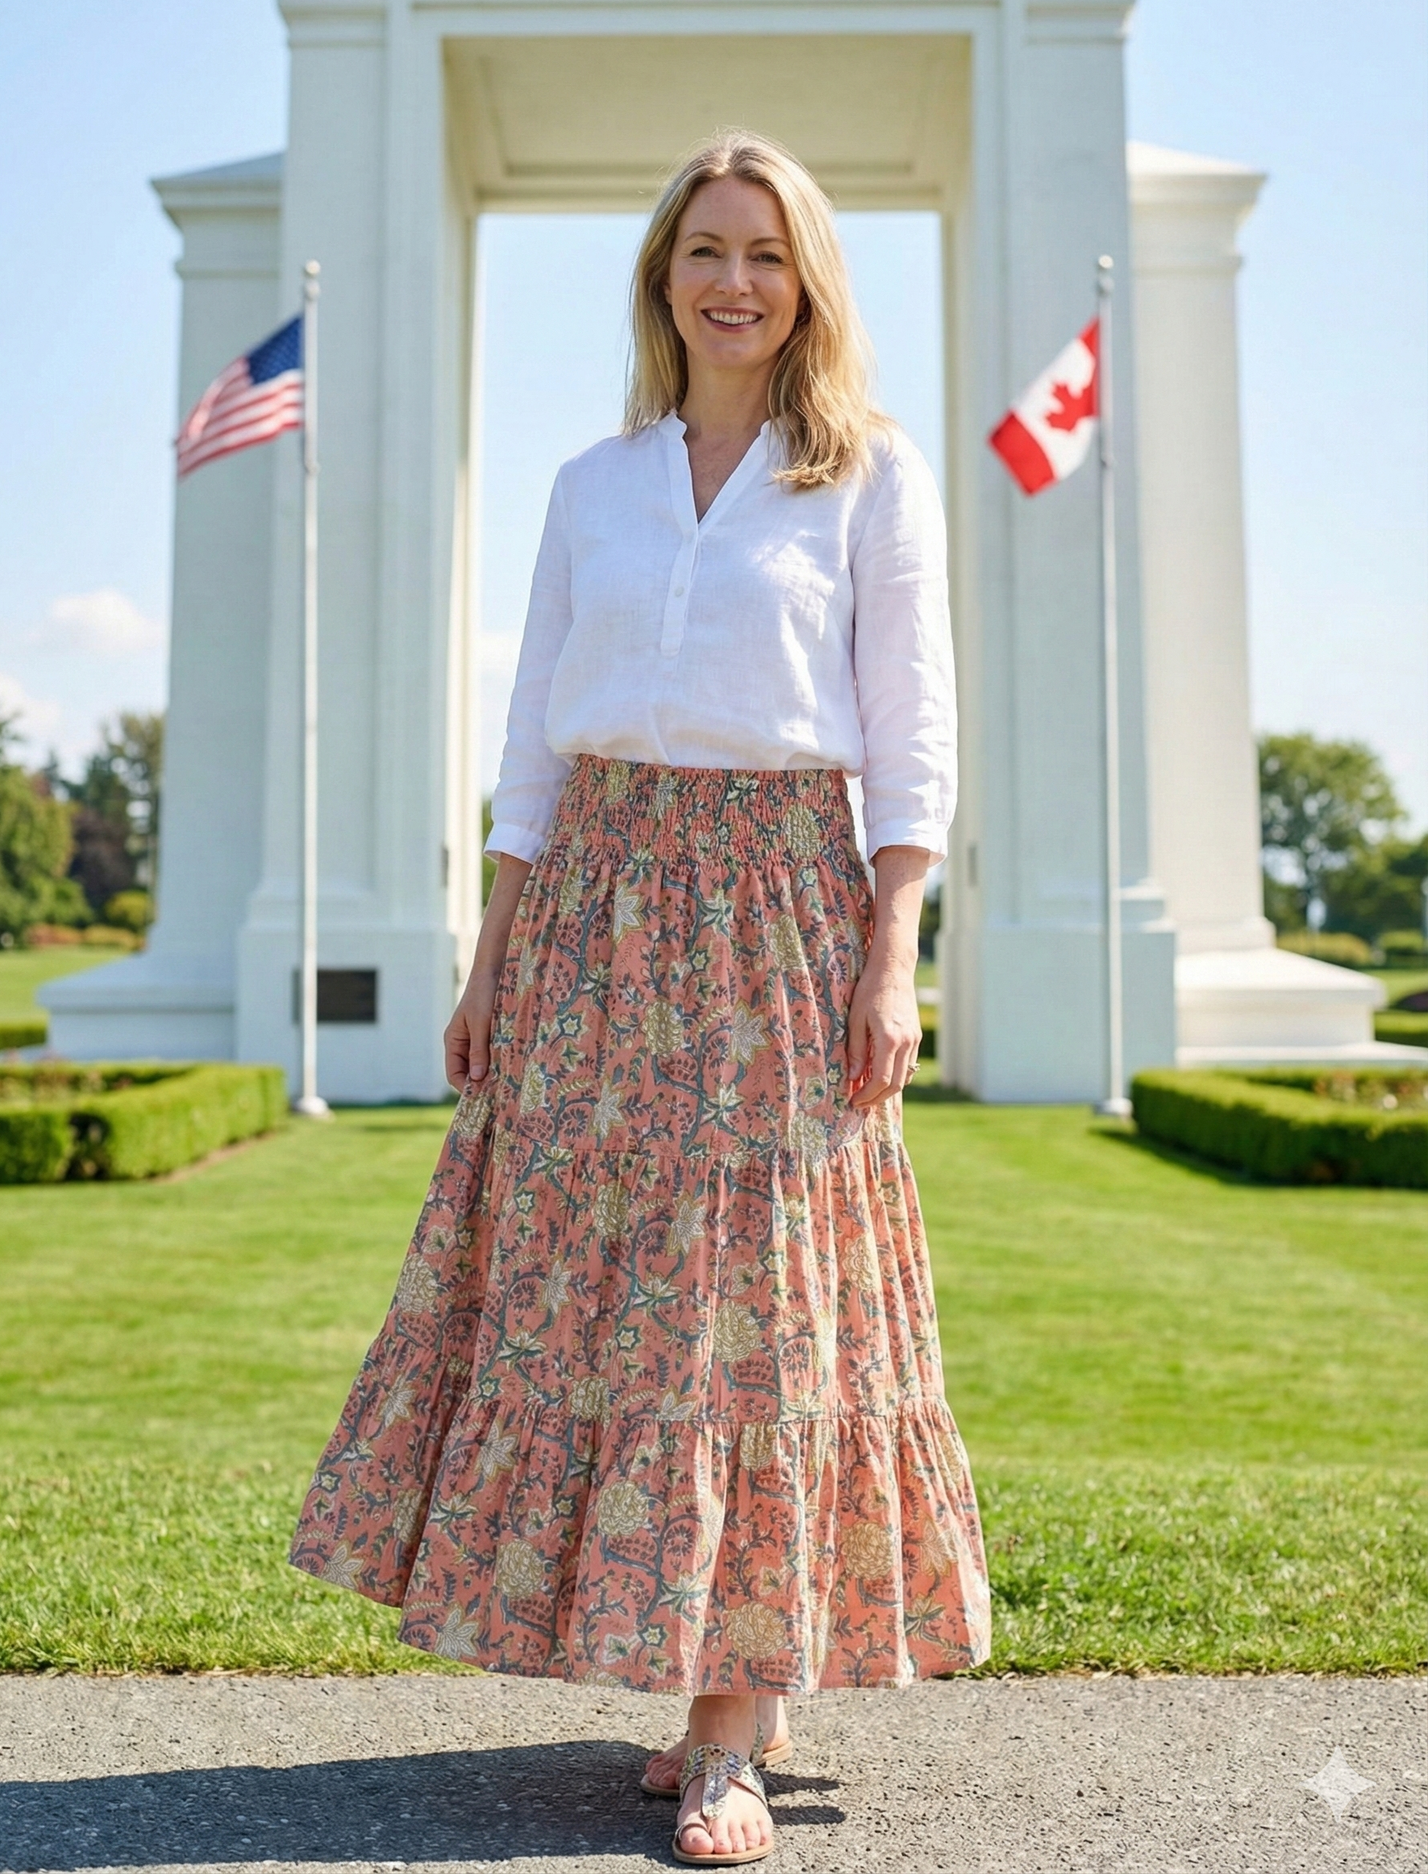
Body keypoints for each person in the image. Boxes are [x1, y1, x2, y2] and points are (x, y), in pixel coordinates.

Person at [290, 128, 990, 1869]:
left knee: (751, 1309)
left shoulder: (870, 478)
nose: (732, 279)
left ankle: (729, 1734)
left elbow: (910, 742)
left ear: (806, 280)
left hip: (776, 912)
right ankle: (681, 1671)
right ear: (662, 278)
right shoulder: (592, 485)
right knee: (597, 1299)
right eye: (704, 249)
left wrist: (894, 955)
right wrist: (491, 954)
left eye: (764, 250)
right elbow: (534, 736)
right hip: (595, 905)